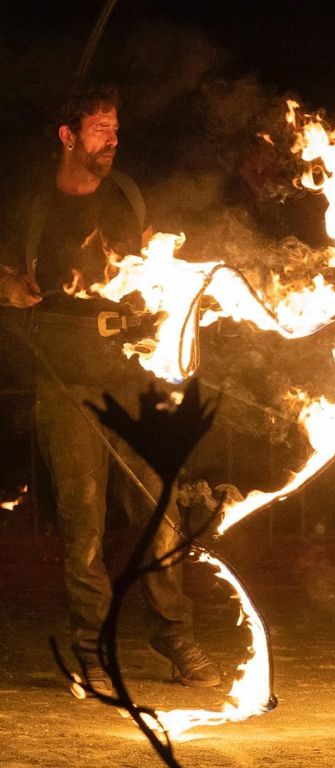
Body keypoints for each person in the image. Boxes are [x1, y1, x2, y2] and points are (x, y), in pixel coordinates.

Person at [0, 84, 220, 696]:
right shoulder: (32, 205)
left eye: (115, 128)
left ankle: (174, 636)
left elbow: (155, 267)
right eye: (100, 129)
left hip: (132, 377)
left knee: (161, 510)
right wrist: (9, 287)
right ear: (68, 136)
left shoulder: (126, 194)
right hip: (65, 381)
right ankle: (91, 648)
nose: (113, 139)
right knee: (84, 522)